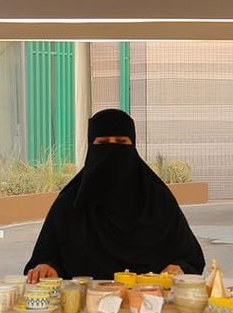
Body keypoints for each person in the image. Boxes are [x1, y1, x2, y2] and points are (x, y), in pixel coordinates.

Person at [24, 109, 206, 282]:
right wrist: (46, 268)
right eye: (103, 143)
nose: (112, 150)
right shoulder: (70, 203)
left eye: (121, 142)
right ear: (91, 147)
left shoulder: (158, 200)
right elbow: (46, 259)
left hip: (149, 299)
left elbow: (189, 258)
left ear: (133, 146)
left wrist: (178, 269)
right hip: (83, 300)